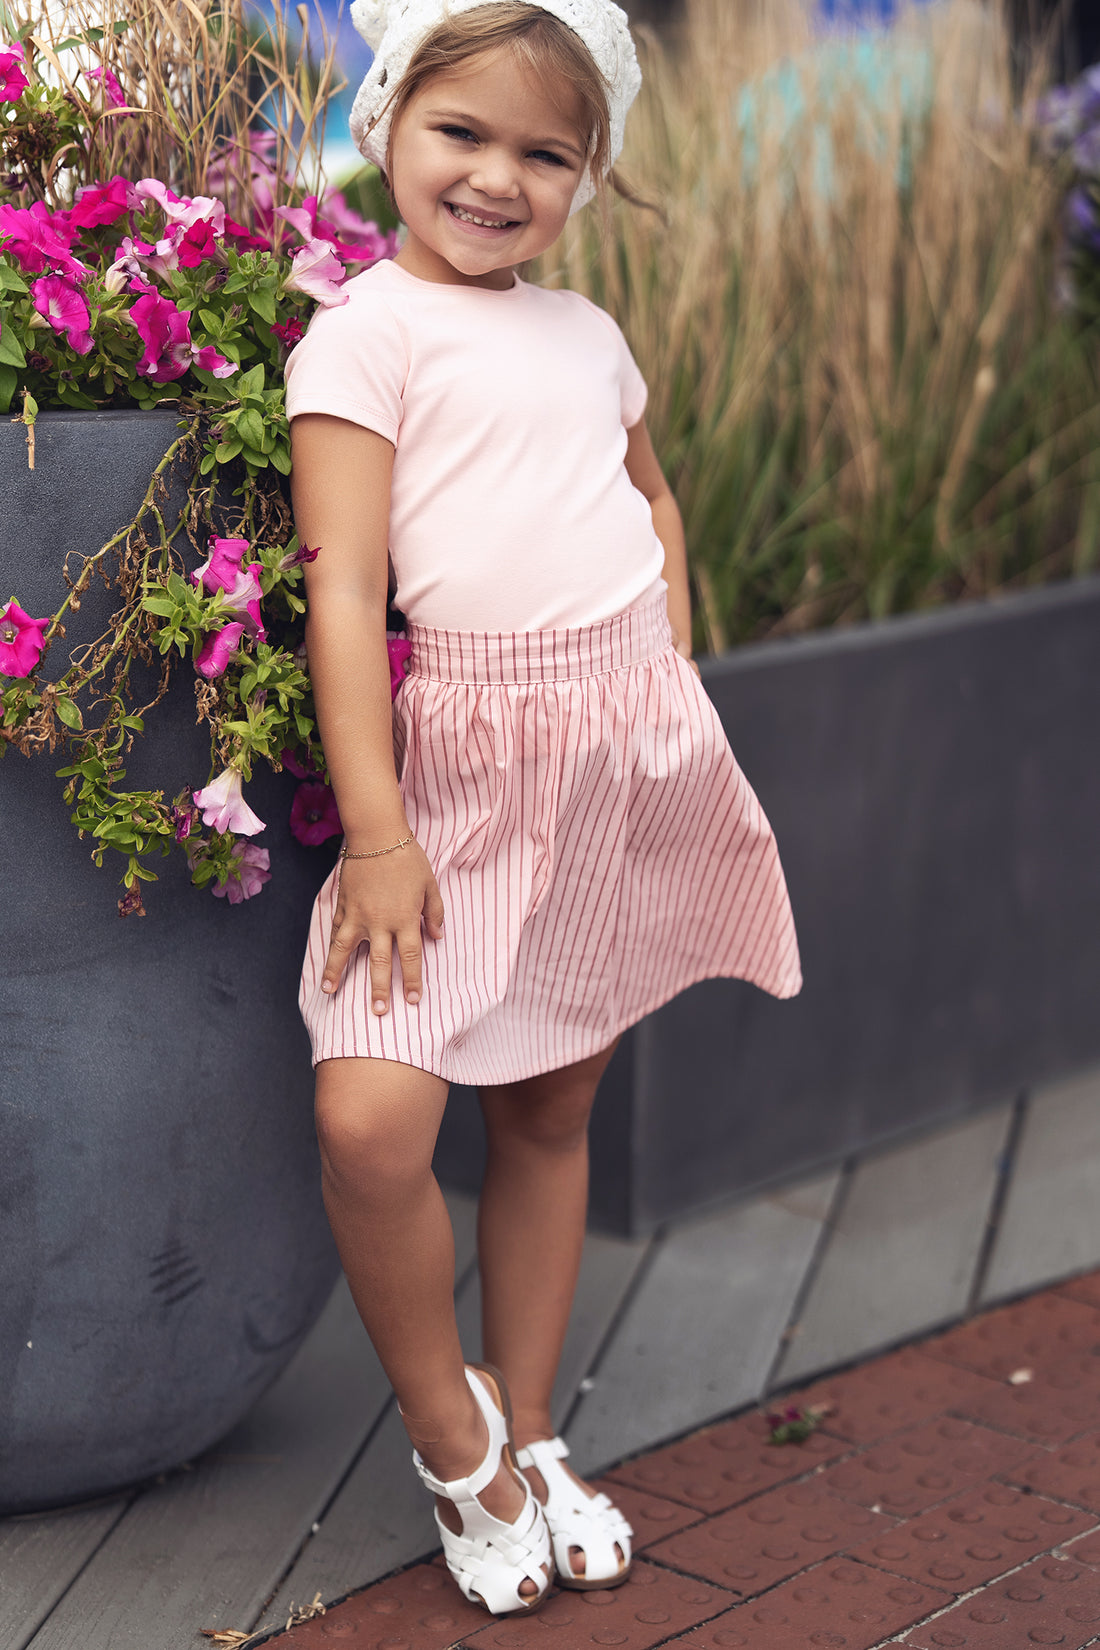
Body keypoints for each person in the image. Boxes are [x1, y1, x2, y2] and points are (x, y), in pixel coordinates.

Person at [285, 0, 801, 1618]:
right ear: (389, 125)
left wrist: (671, 668)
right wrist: (378, 830)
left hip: (609, 758)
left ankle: (528, 1407)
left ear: (591, 172)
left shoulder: (585, 333)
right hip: (451, 780)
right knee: (374, 1115)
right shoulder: (366, 335)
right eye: (464, 133)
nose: (498, 176)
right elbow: (342, 589)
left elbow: (647, 490)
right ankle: (456, 1436)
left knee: (552, 1104)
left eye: (545, 151)